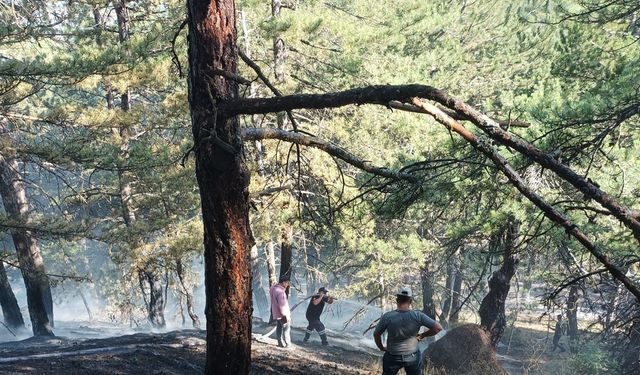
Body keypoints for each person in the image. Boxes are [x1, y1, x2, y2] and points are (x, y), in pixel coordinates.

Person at [373, 287, 443, 375]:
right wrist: (422, 335)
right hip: (412, 357)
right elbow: (438, 328)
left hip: (392, 356)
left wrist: (381, 347)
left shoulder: (388, 316)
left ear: (397, 300)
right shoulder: (418, 315)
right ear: (410, 301)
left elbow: (376, 334)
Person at [270, 276, 292, 348]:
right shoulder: (281, 292)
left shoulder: (273, 289)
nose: (288, 284)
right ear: (283, 282)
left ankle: (280, 342)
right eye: (287, 283)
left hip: (276, 313)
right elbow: (282, 305)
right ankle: (288, 344)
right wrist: (286, 315)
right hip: (282, 314)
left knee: (279, 327)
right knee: (286, 329)